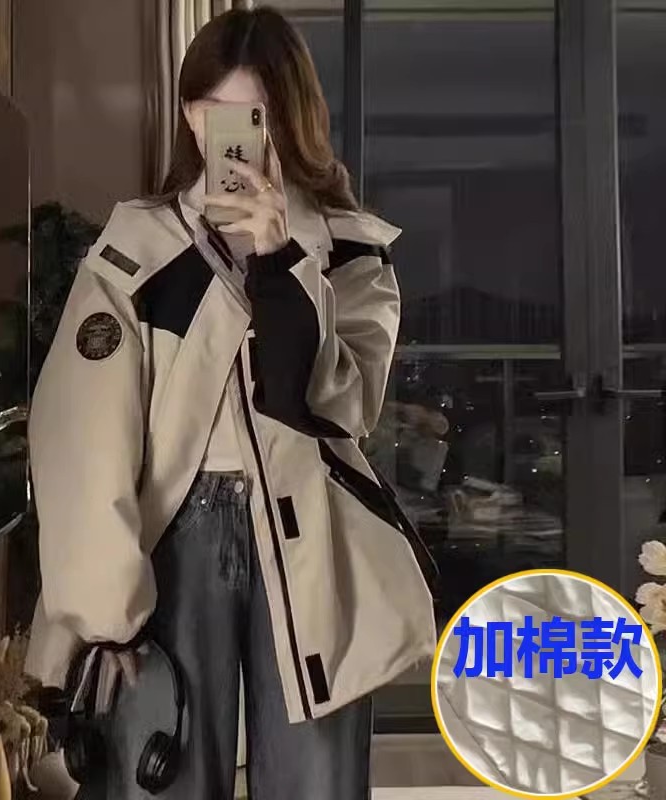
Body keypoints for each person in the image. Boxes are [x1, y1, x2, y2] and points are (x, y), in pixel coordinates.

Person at [25, 6, 436, 799]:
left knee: (316, 782)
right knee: (164, 772)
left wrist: (280, 261)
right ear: (190, 117)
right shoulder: (136, 249)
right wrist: (105, 609)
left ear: (293, 119)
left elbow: (343, 409)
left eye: (258, 114)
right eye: (217, 113)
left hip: (314, 538)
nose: (238, 138)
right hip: (172, 538)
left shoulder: (350, 251)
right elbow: (82, 433)